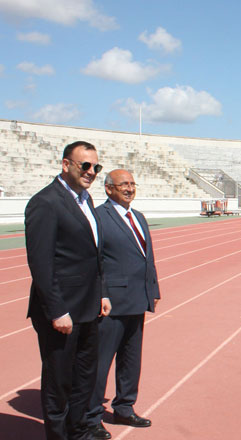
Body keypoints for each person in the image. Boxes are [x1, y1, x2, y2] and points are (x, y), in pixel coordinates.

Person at [25, 140, 112, 439]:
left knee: (84, 378)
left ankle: (78, 432)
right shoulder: (46, 202)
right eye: (85, 165)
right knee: (59, 382)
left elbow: (92, 255)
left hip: (89, 307)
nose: (91, 172)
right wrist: (57, 310)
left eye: (96, 167)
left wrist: (102, 292)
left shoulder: (85, 200)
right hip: (61, 312)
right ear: (66, 165)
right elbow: (41, 263)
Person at [87, 170, 160, 438]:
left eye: (132, 184)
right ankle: (91, 415)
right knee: (101, 361)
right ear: (108, 189)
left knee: (131, 359)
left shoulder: (138, 217)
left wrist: (152, 290)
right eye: (123, 185)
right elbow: (95, 261)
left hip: (137, 300)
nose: (129, 189)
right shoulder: (99, 218)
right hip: (112, 303)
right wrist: (102, 294)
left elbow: (146, 258)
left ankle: (124, 407)